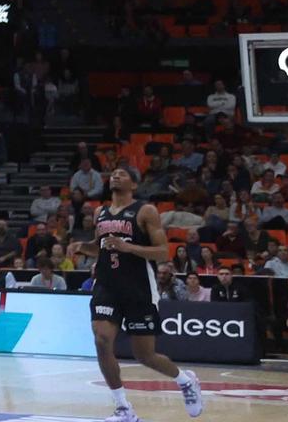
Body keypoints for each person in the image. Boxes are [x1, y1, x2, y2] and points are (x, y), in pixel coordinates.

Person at [81, 167, 202, 421]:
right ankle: (123, 408)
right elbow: (101, 248)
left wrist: (128, 247)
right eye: (113, 173)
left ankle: (185, 380)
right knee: (102, 340)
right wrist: (82, 247)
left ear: (133, 185)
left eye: (122, 174)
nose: (115, 176)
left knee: (144, 355)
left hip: (138, 288)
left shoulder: (145, 211)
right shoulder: (100, 212)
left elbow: (163, 253)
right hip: (106, 285)